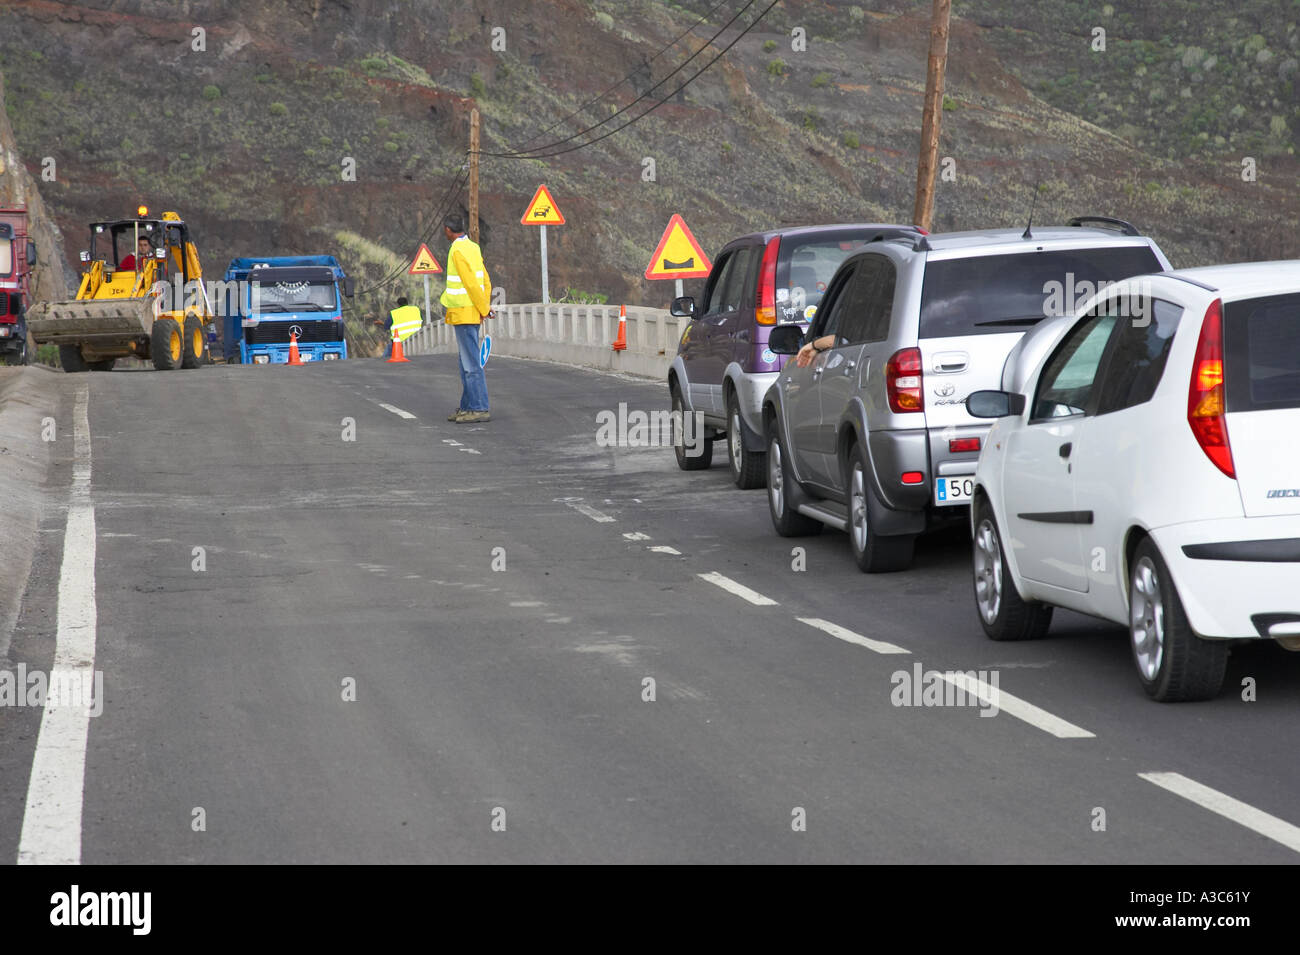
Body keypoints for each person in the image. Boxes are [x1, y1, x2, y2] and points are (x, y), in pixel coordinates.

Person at [439, 214, 493, 423]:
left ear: (448, 230)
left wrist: (484, 309)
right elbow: (485, 280)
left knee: (470, 364)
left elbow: (470, 283)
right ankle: (467, 407)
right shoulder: (473, 247)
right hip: (471, 311)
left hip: (463, 311)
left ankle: (479, 408)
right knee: (465, 362)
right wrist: (484, 307)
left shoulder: (457, 249)